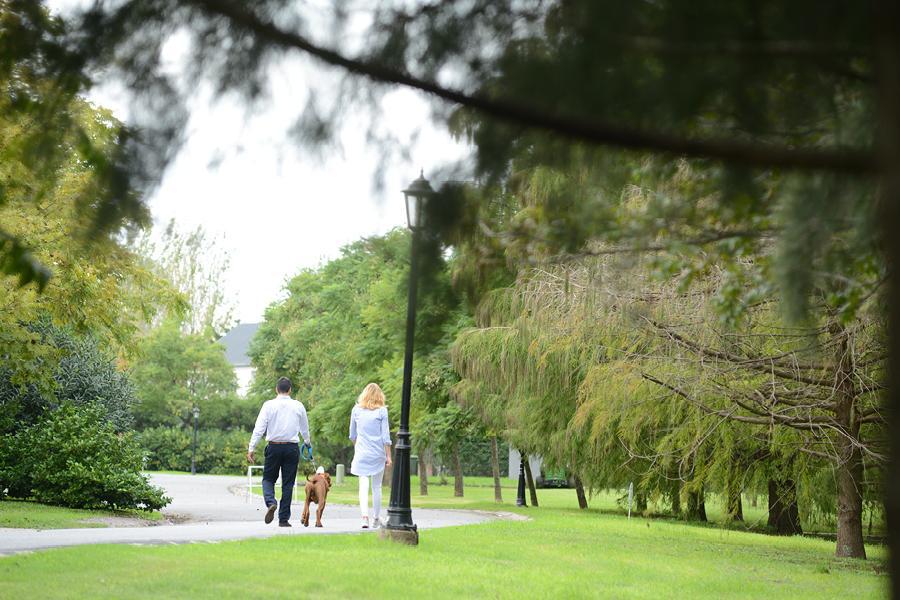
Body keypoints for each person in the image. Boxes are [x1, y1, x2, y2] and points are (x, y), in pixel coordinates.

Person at [247, 376, 311, 527]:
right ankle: (283, 520)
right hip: (292, 448)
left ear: (277, 390)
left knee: (268, 479)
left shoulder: (268, 405)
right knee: (288, 484)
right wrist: (307, 444)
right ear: (290, 390)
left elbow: (259, 428)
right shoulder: (298, 406)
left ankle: (271, 502)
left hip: (274, 447)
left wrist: (251, 448)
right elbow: (305, 429)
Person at [349, 382, 392, 529]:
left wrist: (358, 448)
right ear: (380, 396)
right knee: (377, 486)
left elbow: (352, 435)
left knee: (363, 485)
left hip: (362, 452)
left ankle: (364, 518)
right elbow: (386, 437)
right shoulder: (382, 411)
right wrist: (388, 456)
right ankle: (375, 518)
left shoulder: (356, 410)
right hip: (378, 453)